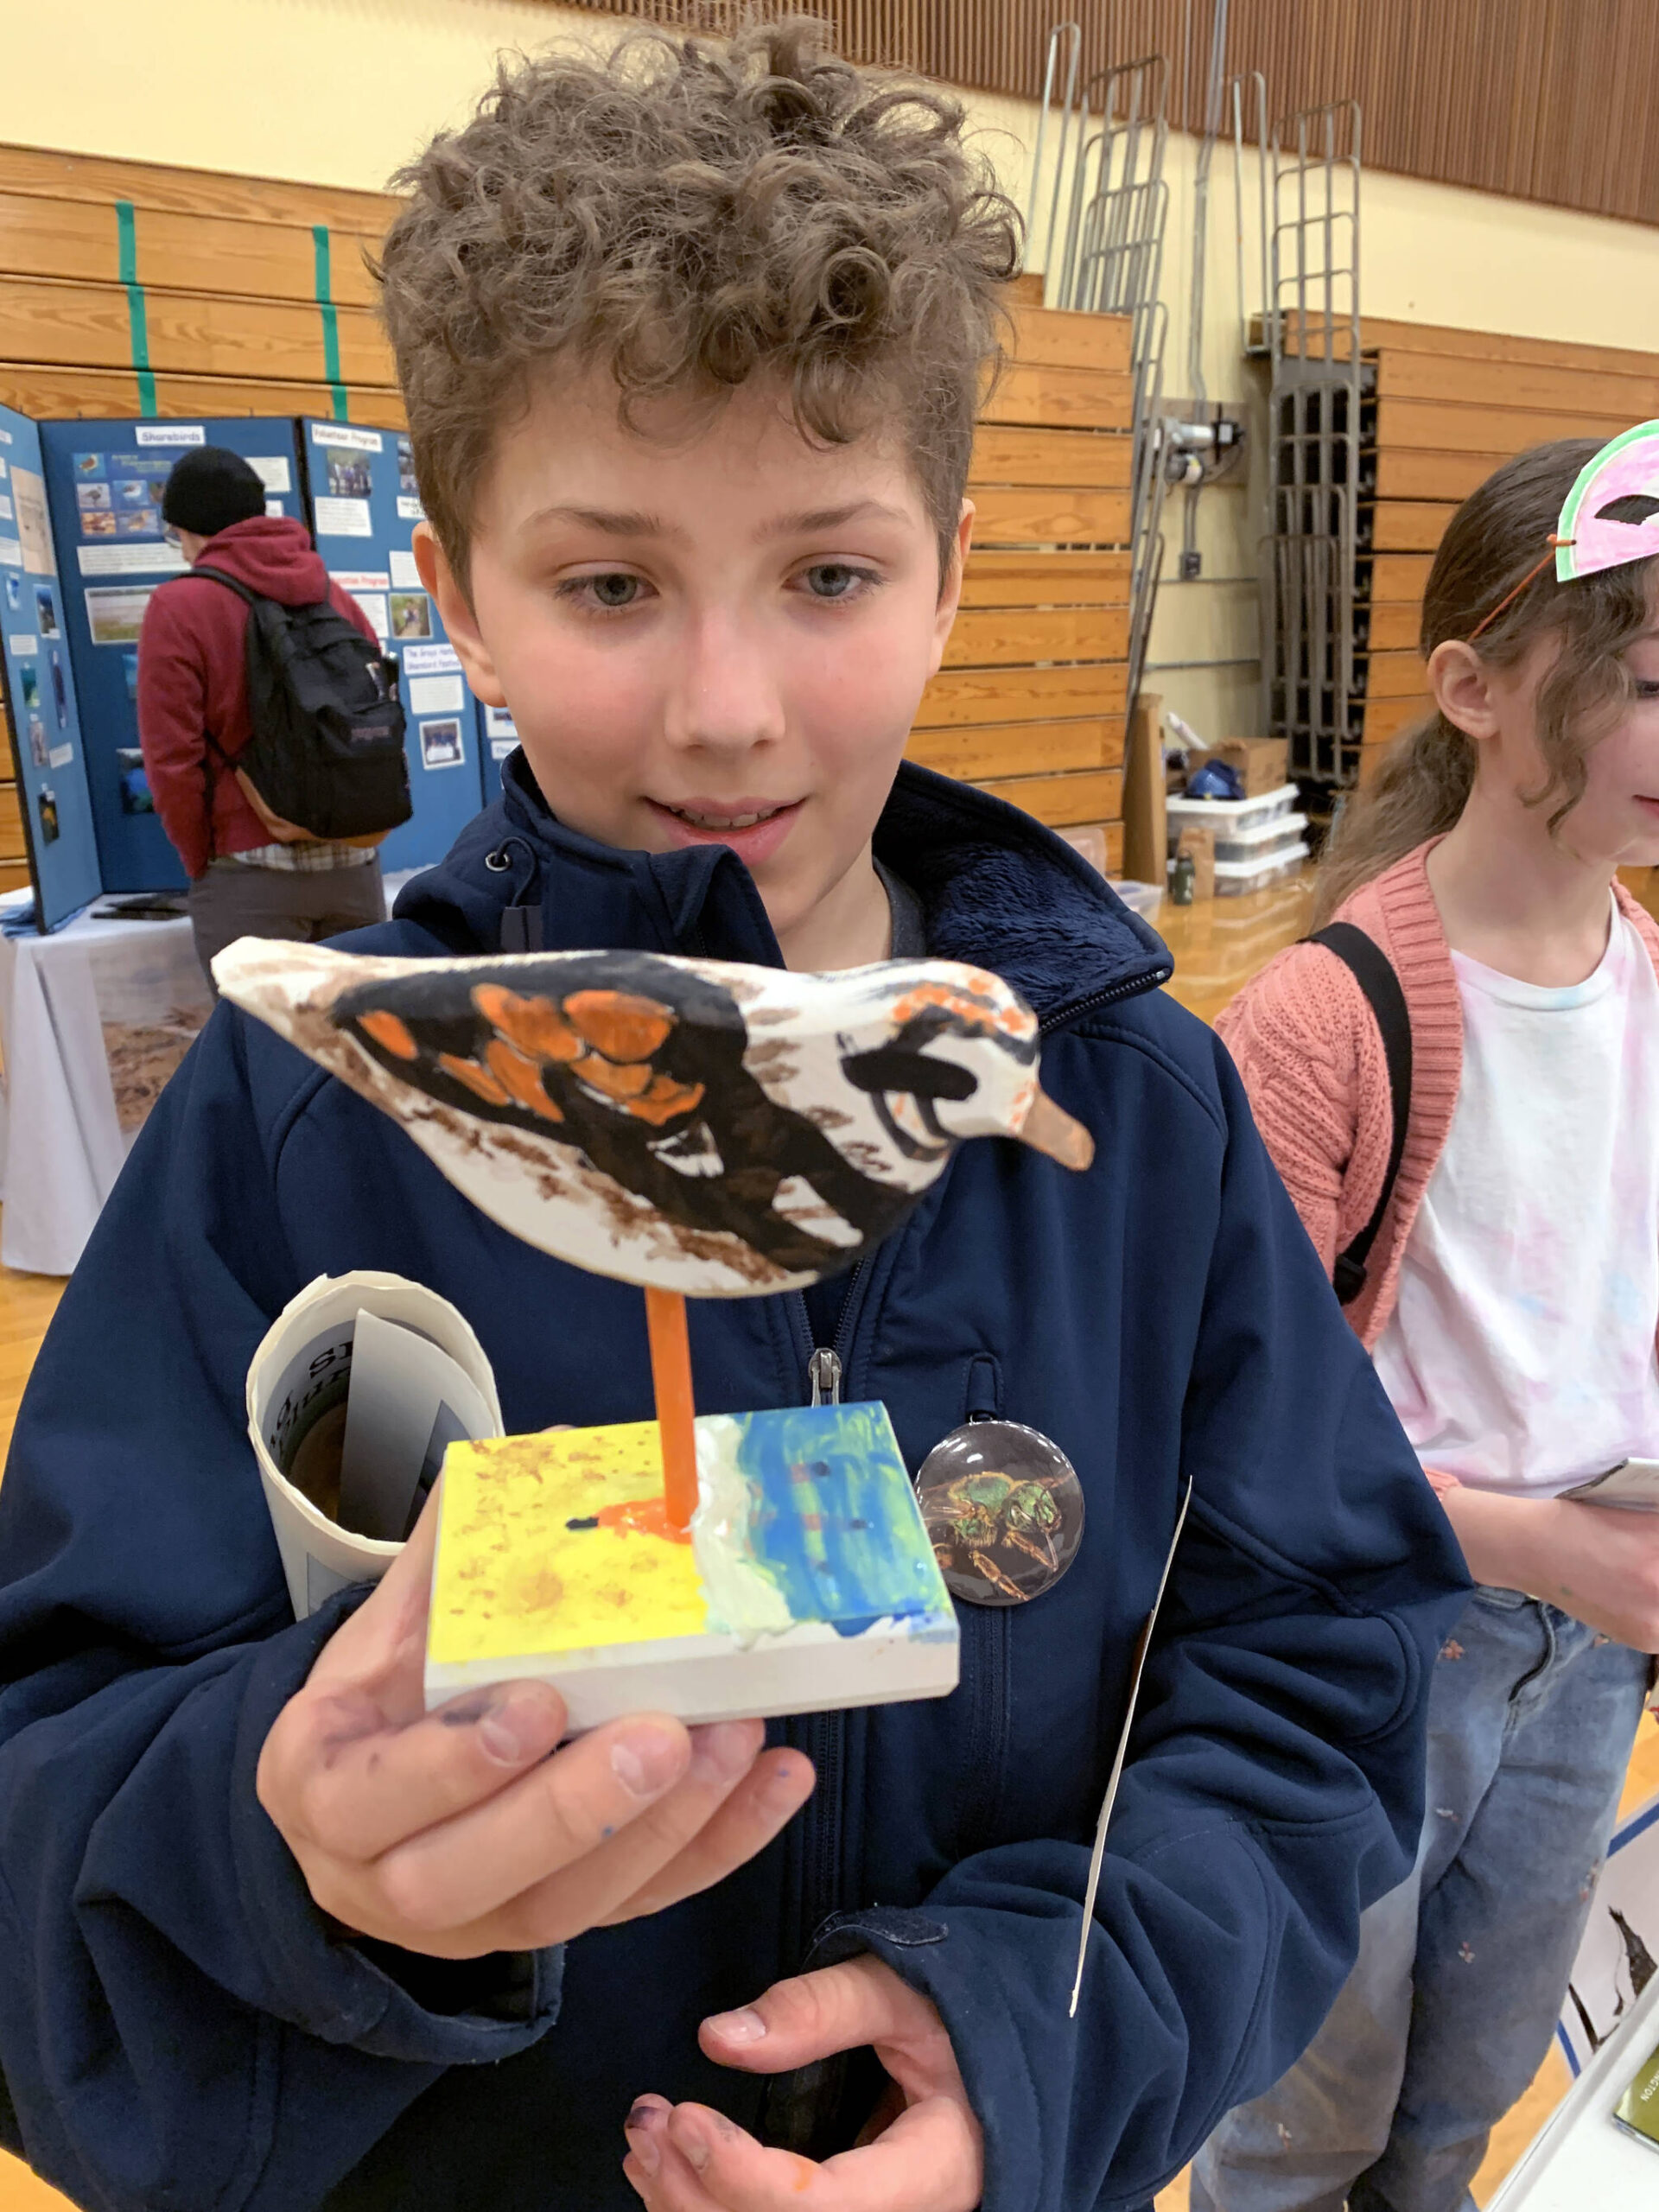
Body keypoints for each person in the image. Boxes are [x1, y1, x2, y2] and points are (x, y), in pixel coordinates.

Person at [0, 24, 1467, 2212]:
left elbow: (1314, 1657)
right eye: (608, 583)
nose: (724, 707)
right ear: (457, 592)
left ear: (952, 573)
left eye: (830, 573)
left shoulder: (1130, 1107)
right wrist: (285, 1849)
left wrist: (1041, 2035)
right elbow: (51, 1822)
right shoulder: (291, 1127)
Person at [1194, 438, 1659, 2212]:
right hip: (1379, 1653)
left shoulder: (1647, 981)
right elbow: (1231, 1432)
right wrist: (1524, 1537)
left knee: (1461, 2105)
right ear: (1472, 686)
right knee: (1305, 2124)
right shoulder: (1323, 1023)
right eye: (1647, 686)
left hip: (1590, 1658)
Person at [137, 446, 387, 982]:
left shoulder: (179, 607)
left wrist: (203, 859)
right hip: (355, 870)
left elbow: (171, 761)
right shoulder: (333, 595)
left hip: (249, 878)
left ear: (190, 529)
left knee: (257, 1060)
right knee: (360, 1059)